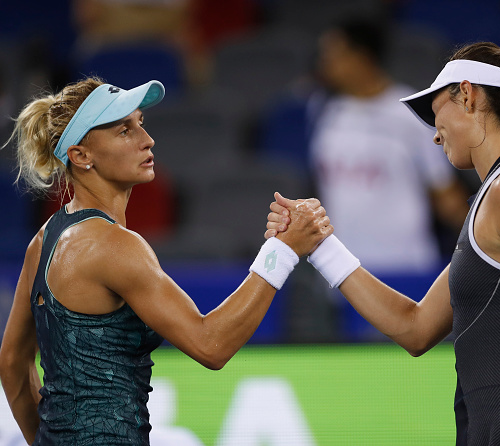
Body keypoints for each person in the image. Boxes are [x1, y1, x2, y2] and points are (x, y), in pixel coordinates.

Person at [267, 42, 500, 445]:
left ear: (468, 95)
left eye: (437, 113)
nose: (435, 136)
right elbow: (416, 328)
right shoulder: (495, 195)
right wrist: (320, 245)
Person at [0, 77, 332, 445]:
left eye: (140, 123)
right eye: (124, 130)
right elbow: (211, 344)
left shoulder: (43, 240)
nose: (147, 139)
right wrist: (282, 251)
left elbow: (12, 362)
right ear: (81, 156)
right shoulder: (114, 245)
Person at [308, 17, 469, 275]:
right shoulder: (324, 112)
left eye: (332, 54)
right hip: (341, 271)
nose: (323, 63)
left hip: (403, 266)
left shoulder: (408, 113)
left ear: (361, 56)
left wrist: (487, 241)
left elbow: (444, 193)